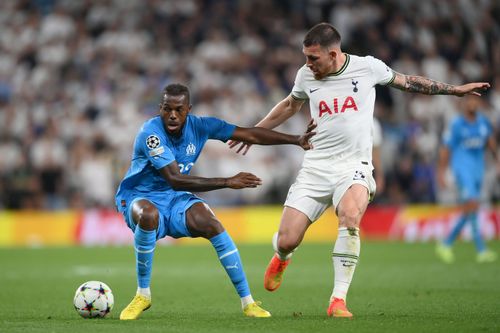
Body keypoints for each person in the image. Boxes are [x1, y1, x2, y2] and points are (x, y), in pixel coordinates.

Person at [229, 22, 490, 318]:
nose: (307, 63)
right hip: (316, 166)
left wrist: (455, 91)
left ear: (333, 53)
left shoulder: (368, 68)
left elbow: (409, 82)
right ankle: (282, 256)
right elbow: (290, 105)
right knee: (288, 238)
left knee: (350, 216)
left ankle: (337, 300)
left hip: (354, 165)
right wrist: (252, 132)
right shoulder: (306, 75)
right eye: (305, 57)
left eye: (313, 58)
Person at [116, 83, 316, 320]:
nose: (172, 115)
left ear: (188, 109)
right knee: (148, 215)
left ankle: (248, 302)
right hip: (140, 196)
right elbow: (176, 179)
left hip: (174, 199)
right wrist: (228, 181)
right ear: (159, 108)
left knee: (211, 223)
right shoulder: (150, 134)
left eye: (178, 109)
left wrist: (296, 139)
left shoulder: (201, 126)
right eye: (167, 109)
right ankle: (143, 295)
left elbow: (249, 134)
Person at [436, 95, 498, 264]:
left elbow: (491, 144)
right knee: (472, 204)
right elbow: (445, 149)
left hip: (478, 171)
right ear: (463, 103)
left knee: (471, 209)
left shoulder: (483, 122)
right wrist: (441, 172)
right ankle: (481, 250)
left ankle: (446, 244)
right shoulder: (456, 125)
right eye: (469, 100)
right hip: (462, 170)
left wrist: (498, 162)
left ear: (479, 103)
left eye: (475, 100)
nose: (472, 103)